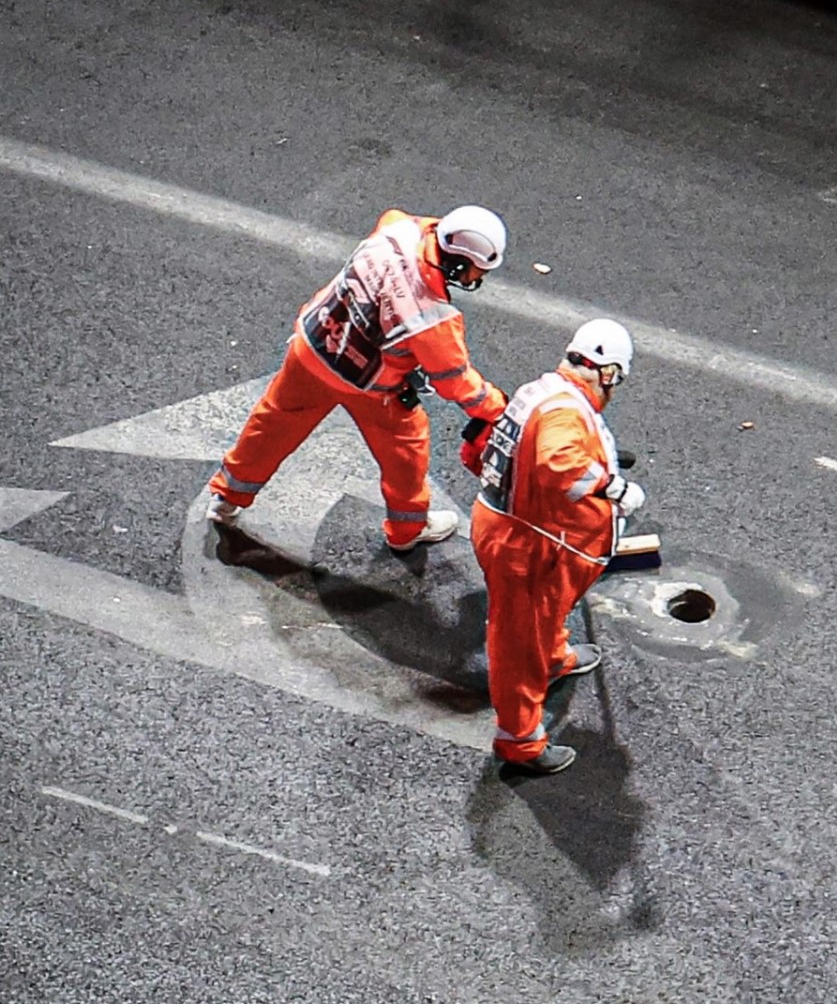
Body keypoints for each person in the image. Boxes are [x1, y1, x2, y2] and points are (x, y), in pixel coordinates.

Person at [206, 204, 509, 553]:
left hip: (313, 349)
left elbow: (401, 219)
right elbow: (454, 382)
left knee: (272, 425)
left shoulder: (400, 229)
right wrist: (496, 407)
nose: (476, 279)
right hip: (368, 385)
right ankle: (407, 529)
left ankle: (227, 498)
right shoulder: (432, 317)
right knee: (406, 450)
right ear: (457, 263)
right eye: (475, 272)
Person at [465, 318, 646, 775]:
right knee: (517, 644)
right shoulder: (565, 412)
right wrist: (612, 486)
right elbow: (556, 463)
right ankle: (520, 742)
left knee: (543, 616)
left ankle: (554, 658)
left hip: (521, 533)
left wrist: (602, 457)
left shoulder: (546, 390)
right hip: (525, 546)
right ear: (609, 373)